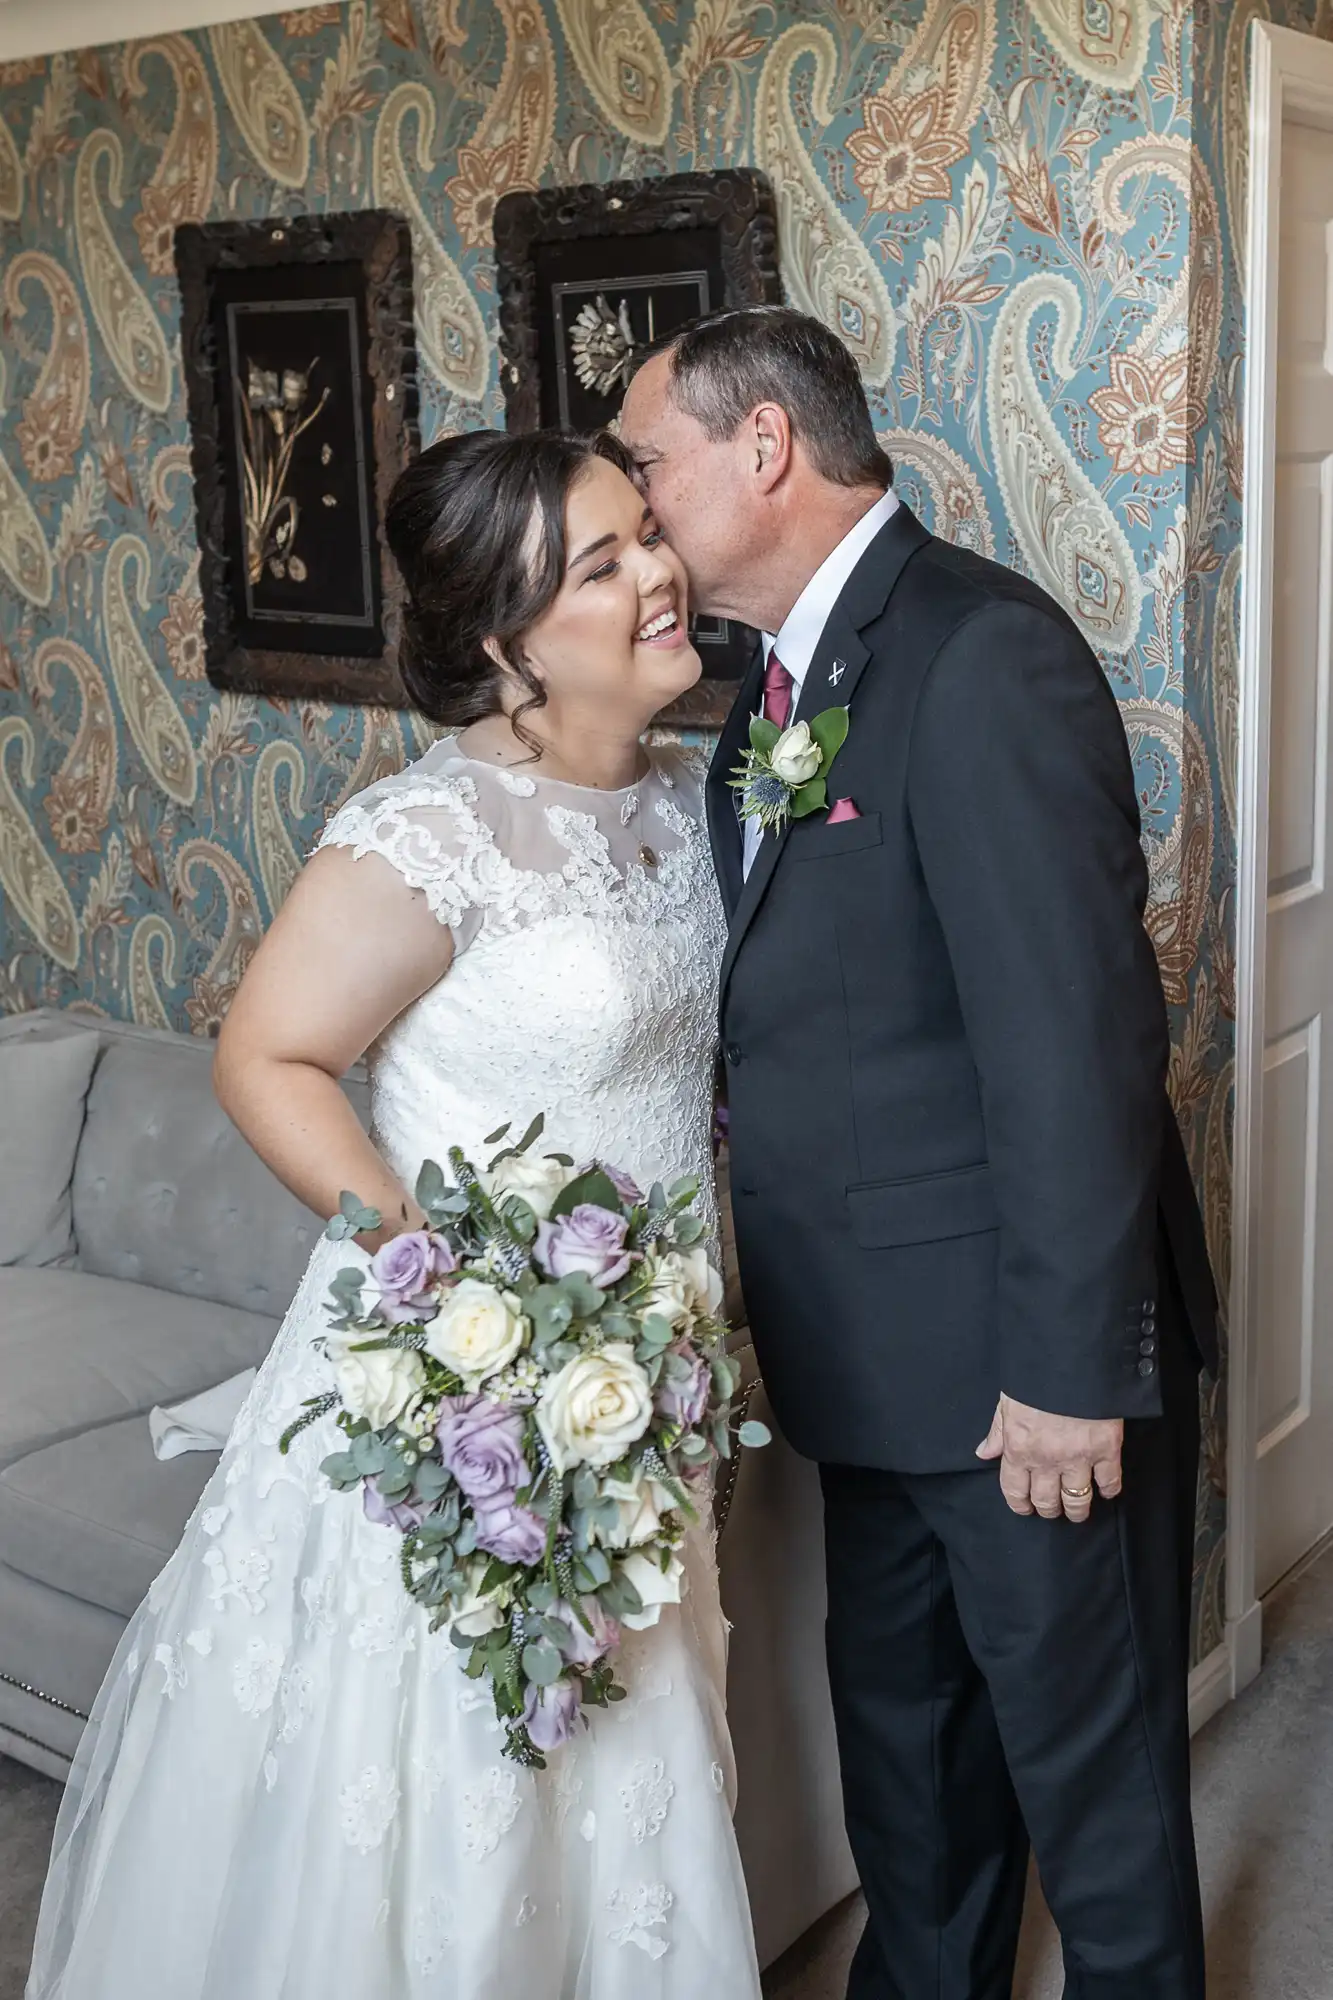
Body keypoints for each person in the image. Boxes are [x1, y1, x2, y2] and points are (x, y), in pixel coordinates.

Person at [24, 429, 762, 2000]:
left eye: (646, 533)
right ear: (507, 648)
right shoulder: (432, 837)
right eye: (602, 563)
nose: (658, 576)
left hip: (649, 1380)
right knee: (464, 1776)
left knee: (634, 1751)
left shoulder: (695, 798)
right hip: (474, 1386)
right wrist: (448, 1289)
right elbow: (265, 1056)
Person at [620, 305, 1219, 2000]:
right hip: (864, 1361)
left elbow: (1076, 1052)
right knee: (910, 1765)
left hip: (1017, 1377)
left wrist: (1064, 1375)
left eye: (649, 461)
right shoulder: (771, 692)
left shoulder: (980, 654)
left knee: (1089, 1797)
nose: (639, 500)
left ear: (762, 449)